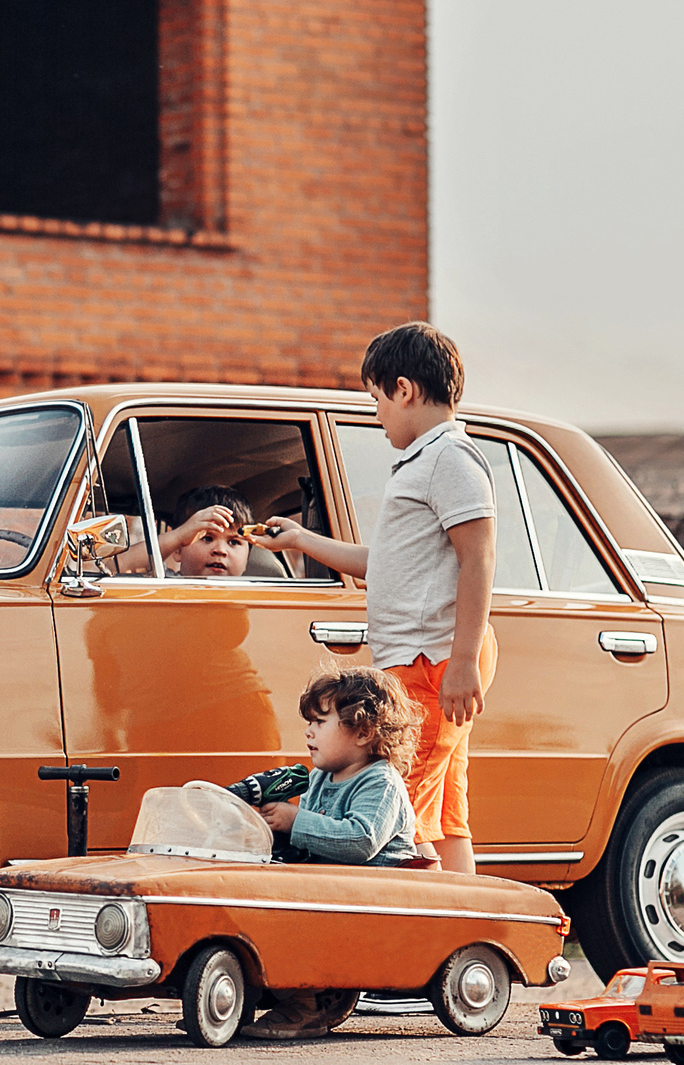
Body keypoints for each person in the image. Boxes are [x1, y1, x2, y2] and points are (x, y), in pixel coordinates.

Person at [260, 324, 496, 875]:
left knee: (396, 808)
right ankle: (463, 923)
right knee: (444, 816)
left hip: (431, 660)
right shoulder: (422, 461)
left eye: (376, 399)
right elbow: (382, 565)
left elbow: (478, 557)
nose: (375, 414)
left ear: (405, 389)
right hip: (423, 658)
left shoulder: (449, 459)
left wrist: (461, 662)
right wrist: (300, 540)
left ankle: (413, 928)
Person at [237, 667, 424, 1039]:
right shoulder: (322, 776)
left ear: (363, 731)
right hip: (332, 891)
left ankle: (306, 1005)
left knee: (292, 918)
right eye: (309, 722)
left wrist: (296, 822)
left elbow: (360, 841)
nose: (309, 732)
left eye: (320, 722)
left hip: (370, 901)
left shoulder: (380, 781)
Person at [109, 484, 262, 578]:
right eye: (207, 538)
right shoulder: (164, 582)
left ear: (248, 557)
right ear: (178, 550)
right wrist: (177, 537)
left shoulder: (259, 597)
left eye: (233, 542)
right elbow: (113, 567)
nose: (220, 551)